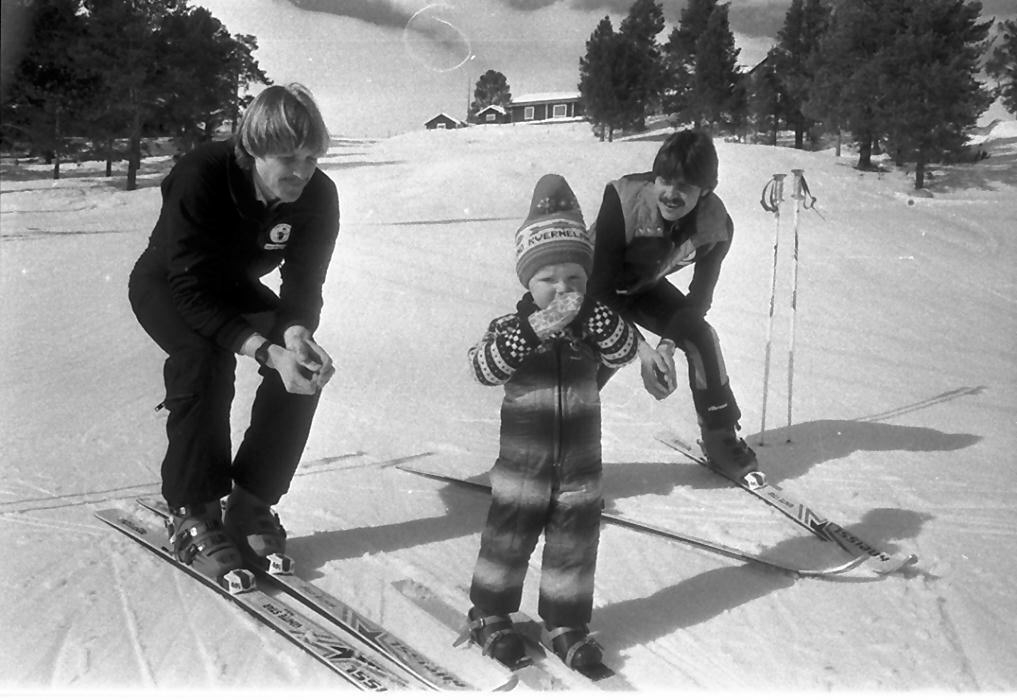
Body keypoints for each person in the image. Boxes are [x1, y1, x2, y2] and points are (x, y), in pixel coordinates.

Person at [128, 84, 339, 579]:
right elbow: (191, 291)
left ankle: (252, 502)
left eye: (311, 158)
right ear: (253, 149)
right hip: (170, 284)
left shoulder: (318, 196)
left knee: (303, 366)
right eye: (288, 158)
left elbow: (304, 285)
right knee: (203, 358)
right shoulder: (202, 174)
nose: (302, 172)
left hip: (235, 287)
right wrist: (265, 350)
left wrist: (294, 337)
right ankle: (193, 508)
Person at [463, 174, 638, 671]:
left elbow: (624, 348)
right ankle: (490, 614)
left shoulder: (592, 326)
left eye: (575, 280)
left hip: (580, 467)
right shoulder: (511, 328)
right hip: (524, 465)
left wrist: (594, 315)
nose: (563, 290)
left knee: (574, 544)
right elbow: (482, 366)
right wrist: (530, 330)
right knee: (508, 538)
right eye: (549, 281)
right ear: (528, 283)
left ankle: (565, 621)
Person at [587, 129, 757, 478]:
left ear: (706, 189)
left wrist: (667, 343)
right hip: (587, 290)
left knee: (701, 336)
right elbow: (600, 291)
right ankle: (560, 450)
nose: (671, 193)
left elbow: (698, 301)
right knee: (594, 359)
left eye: (685, 187)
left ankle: (719, 436)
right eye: (663, 180)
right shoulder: (624, 198)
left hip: (640, 287)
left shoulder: (717, 226)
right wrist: (639, 349)